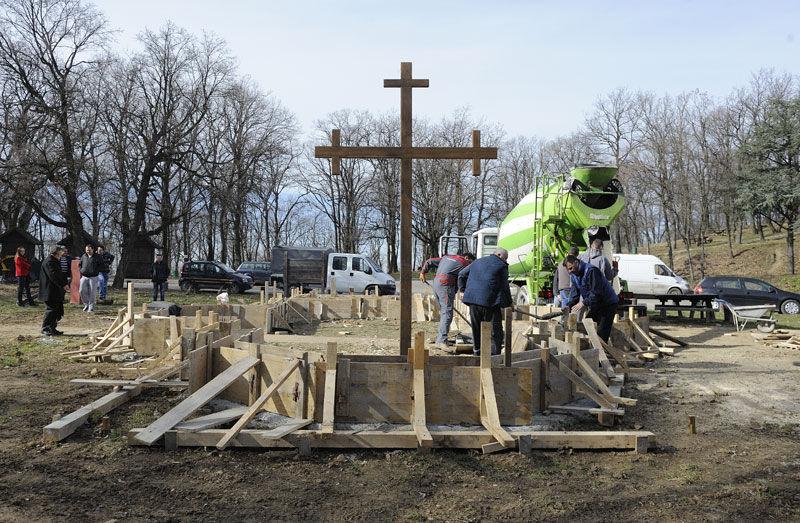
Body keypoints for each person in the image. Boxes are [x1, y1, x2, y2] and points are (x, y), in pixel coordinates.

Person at [457, 248, 512, 356]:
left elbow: (461, 274)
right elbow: (505, 286)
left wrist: (461, 290)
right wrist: (510, 303)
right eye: (505, 258)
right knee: (495, 330)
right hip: (490, 302)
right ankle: (494, 355)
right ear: (499, 254)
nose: (505, 261)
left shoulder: (477, 261)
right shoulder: (501, 266)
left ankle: (477, 353)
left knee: (476, 328)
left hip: (473, 301)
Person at [419, 252, 475, 347]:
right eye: (470, 262)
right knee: (447, 313)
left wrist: (422, 272)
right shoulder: (464, 263)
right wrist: (461, 291)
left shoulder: (446, 258)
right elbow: (462, 278)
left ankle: (441, 338)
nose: (469, 265)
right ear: (466, 257)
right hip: (446, 284)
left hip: (437, 283)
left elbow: (429, 261)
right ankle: (441, 341)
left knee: (444, 312)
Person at [563, 254, 620, 343]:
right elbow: (575, 295)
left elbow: (596, 292)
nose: (570, 271)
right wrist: (569, 306)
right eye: (568, 270)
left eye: (570, 268)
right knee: (587, 324)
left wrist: (583, 303)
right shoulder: (574, 276)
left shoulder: (591, 271)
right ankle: (591, 348)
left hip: (608, 303)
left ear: (576, 263)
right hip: (596, 304)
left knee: (601, 332)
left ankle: (602, 352)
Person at [39, 245, 69, 336]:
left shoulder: (55, 261)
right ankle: (45, 327)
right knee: (51, 309)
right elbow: (53, 276)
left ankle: (52, 327)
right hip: (49, 290)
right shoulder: (49, 262)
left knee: (56, 309)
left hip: (55, 290)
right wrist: (63, 284)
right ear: (57, 253)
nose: (62, 255)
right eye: (61, 253)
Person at [79, 244, 102, 312]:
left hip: (93, 277)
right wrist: (81, 270)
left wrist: (96, 271)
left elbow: (101, 265)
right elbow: (80, 264)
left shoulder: (97, 257)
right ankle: (86, 304)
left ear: (92, 249)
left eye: (89, 250)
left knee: (92, 292)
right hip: (84, 276)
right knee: (81, 290)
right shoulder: (84, 256)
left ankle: (91, 306)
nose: (88, 251)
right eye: (86, 250)